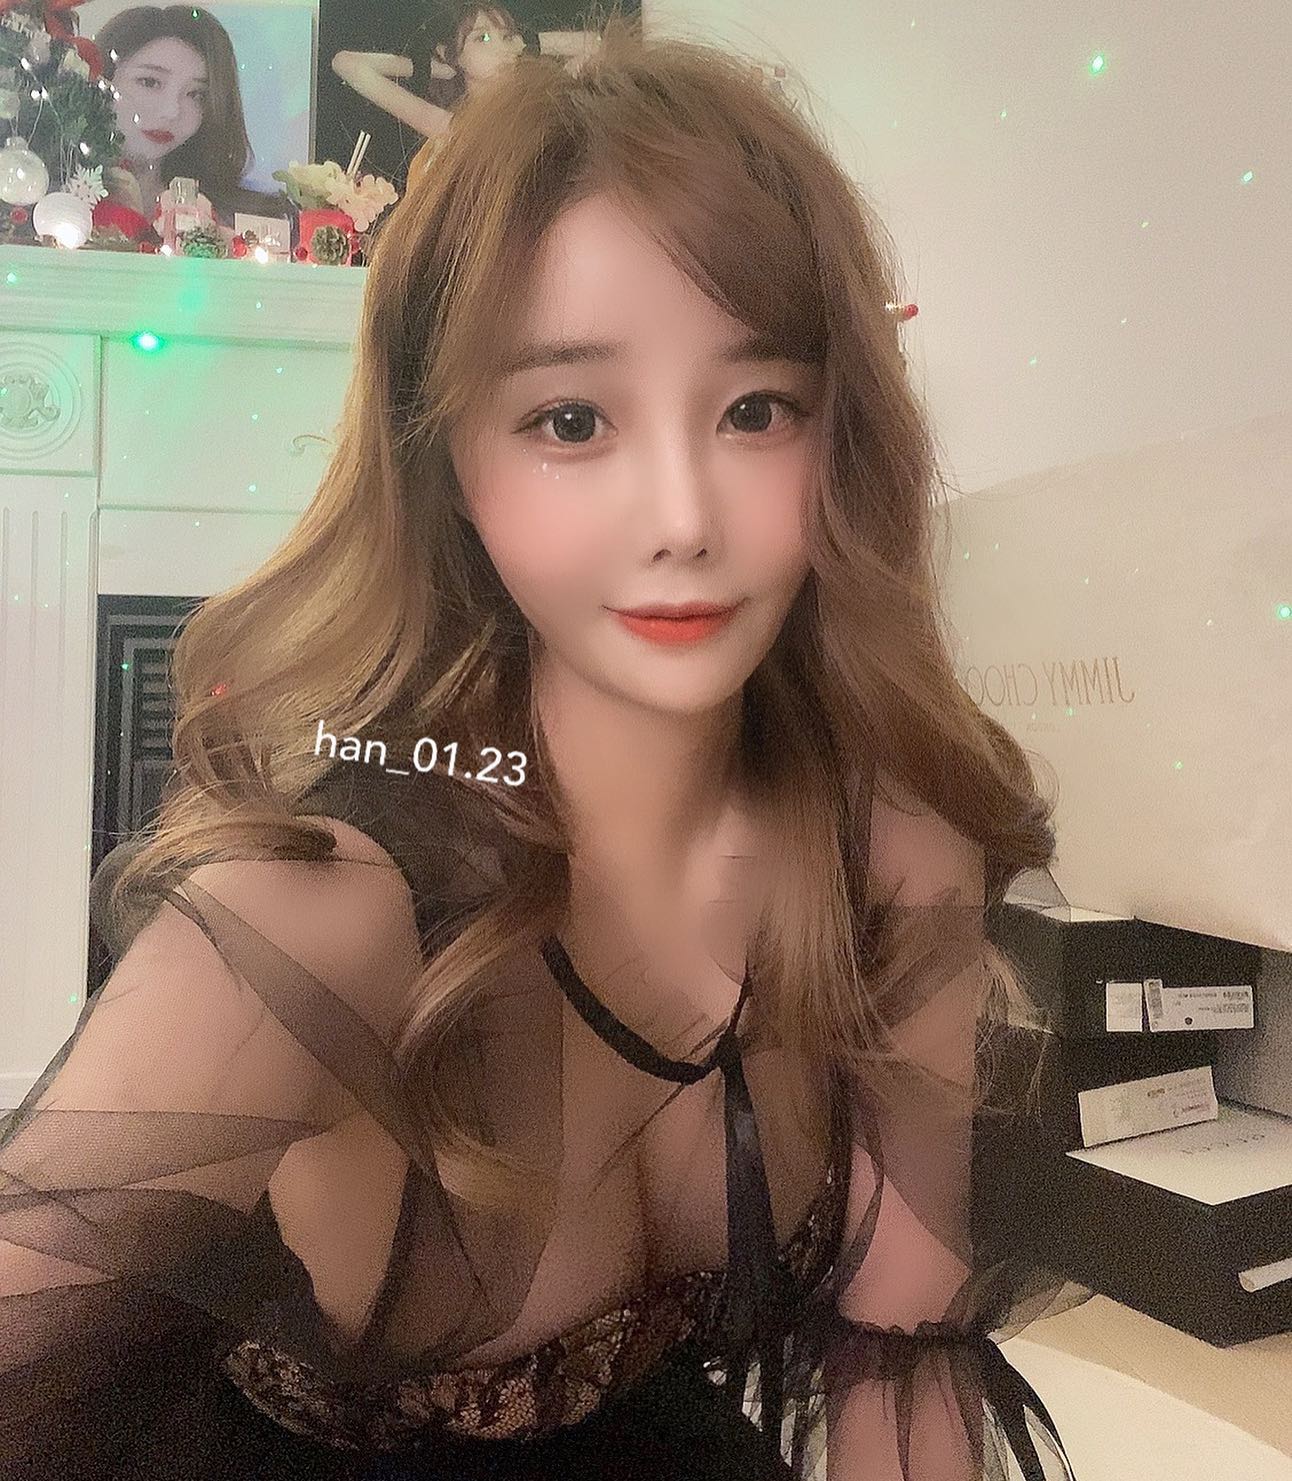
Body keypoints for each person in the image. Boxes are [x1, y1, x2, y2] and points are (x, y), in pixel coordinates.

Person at [0, 8, 1094, 1479]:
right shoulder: (317, 915)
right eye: (572, 419)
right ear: (446, 460)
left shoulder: (888, 853)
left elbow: (901, 1371)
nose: (682, 517)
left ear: (841, 435)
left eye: (756, 409)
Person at [94, 4, 290, 229]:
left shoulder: (238, 221)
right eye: (150, 82)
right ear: (101, 80)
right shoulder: (63, 196)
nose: (172, 111)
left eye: (196, 94)